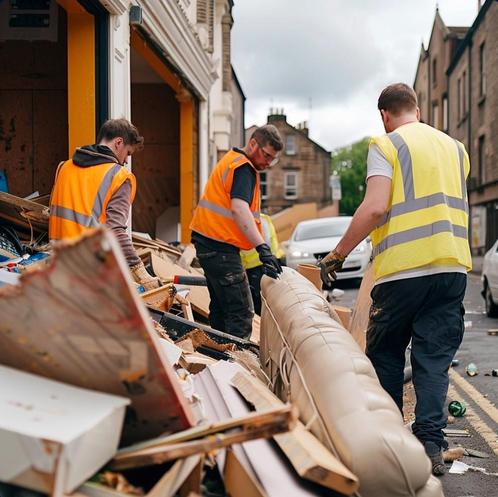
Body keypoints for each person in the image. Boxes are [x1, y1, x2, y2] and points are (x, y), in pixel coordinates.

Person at [318, 83, 471, 476]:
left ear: (385, 115)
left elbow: (374, 208)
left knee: (386, 354)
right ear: (417, 110)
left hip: (403, 271)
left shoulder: (385, 145)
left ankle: (391, 445)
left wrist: (337, 254)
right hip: (452, 269)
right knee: (433, 360)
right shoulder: (456, 149)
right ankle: (431, 444)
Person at [190, 125, 284, 339]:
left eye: (273, 159)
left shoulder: (231, 160)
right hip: (219, 247)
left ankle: (218, 356)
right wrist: (263, 248)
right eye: (266, 155)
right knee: (241, 312)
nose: (268, 163)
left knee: (222, 308)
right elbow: (239, 208)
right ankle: (236, 365)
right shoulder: (244, 168)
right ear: (253, 144)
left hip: (208, 243)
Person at [49, 118, 161, 291]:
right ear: (118, 143)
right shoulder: (118, 176)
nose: (125, 161)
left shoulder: (64, 167)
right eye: (128, 154)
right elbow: (115, 230)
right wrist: (140, 270)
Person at [240, 213, 285, 315]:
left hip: (255, 267)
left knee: (259, 302)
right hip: (271, 261)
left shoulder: (243, 219)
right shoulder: (264, 218)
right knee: (273, 298)